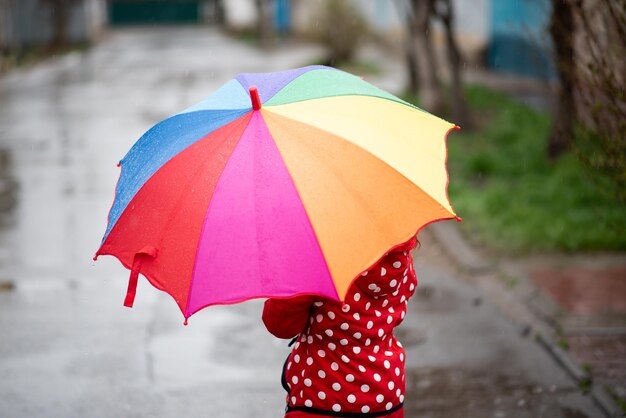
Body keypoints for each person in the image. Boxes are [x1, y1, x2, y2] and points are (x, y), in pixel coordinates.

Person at [262, 236, 418, 417]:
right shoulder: (400, 256)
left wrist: (292, 268)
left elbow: (280, 325)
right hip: (386, 396)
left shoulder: (319, 259)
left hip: (321, 396)